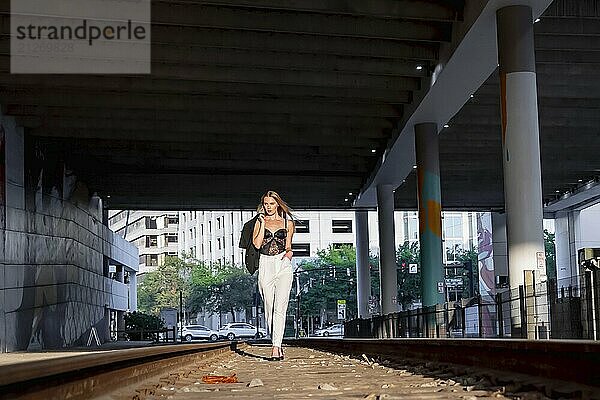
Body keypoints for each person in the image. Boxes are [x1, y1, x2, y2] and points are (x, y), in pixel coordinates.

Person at [252, 190, 295, 361]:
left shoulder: (288, 223)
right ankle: (276, 341)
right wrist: (262, 223)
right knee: (269, 308)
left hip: (283, 263)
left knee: (280, 308)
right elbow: (256, 244)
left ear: (277, 204)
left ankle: (276, 347)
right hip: (265, 264)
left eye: (271, 203)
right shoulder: (259, 221)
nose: (268, 207)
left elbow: (289, 246)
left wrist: (289, 254)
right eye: (266, 204)